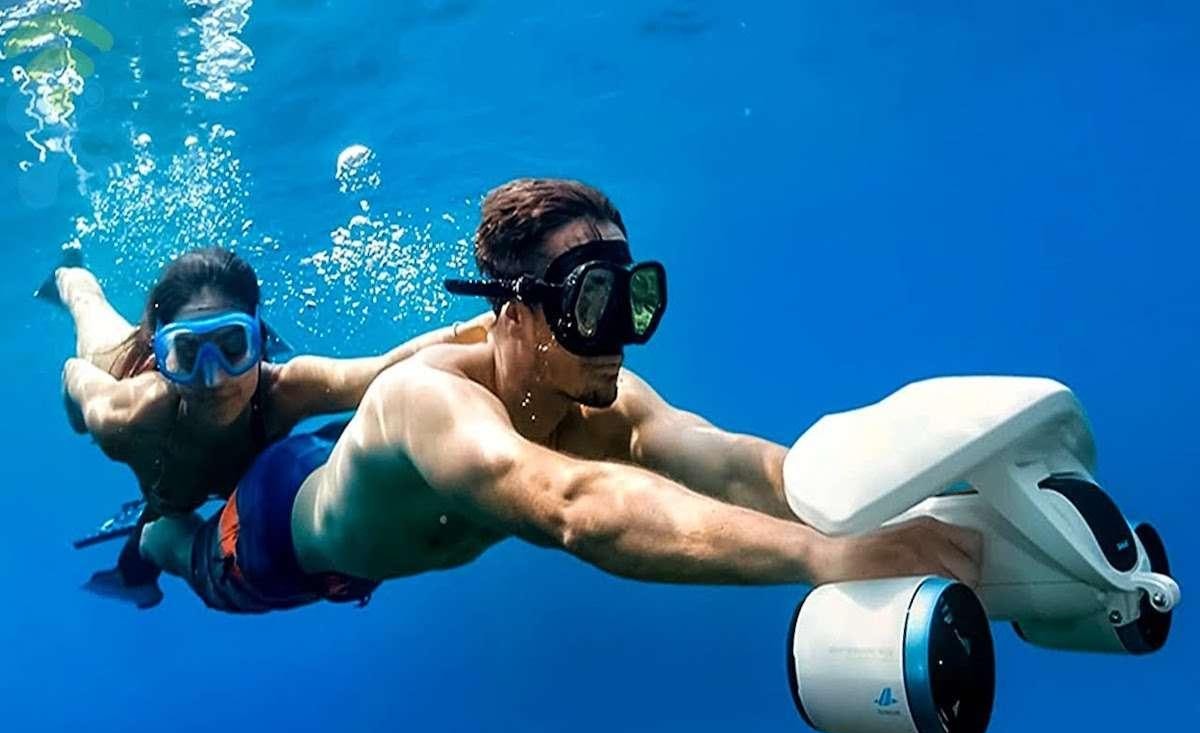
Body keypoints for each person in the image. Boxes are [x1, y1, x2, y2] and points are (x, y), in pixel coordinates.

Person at [136, 179, 981, 613]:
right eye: (589, 303)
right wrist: (827, 560)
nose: (615, 331)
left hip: (364, 489)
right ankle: (150, 531)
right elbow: (573, 504)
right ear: (511, 311)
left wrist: (885, 511)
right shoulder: (429, 402)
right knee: (180, 547)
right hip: (271, 545)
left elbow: (734, 465)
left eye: (632, 300)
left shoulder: (606, 399)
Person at [46, 245, 493, 606]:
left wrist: (493, 325)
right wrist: (78, 418)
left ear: (258, 339)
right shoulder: (121, 414)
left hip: (180, 490)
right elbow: (72, 372)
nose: (213, 377)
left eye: (231, 346)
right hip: (125, 384)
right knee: (87, 306)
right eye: (187, 352)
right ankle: (69, 270)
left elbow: (384, 369)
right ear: (162, 355)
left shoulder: (284, 390)